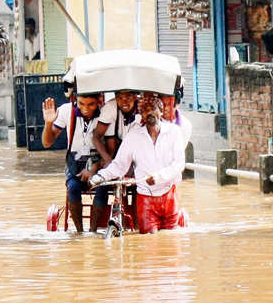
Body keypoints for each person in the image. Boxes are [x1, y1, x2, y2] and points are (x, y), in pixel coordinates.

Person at [90, 95, 186, 234]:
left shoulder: (174, 132)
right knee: (149, 240)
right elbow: (119, 165)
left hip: (170, 195)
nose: (150, 113)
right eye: (145, 110)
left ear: (160, 110)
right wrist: (101, 176)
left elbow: (179, 164)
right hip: (146, 197)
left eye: (153, 108)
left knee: (170, 240)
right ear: (141, 114)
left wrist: (158, 177)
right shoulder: (133, 136)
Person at [42, 93, 108, 232]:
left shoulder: (106, 113)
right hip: (74, 162)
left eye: (91, 104)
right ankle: (79, 232)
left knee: (103, 189)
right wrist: (48, 123)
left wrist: (93, 169)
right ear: (75, 100)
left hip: (99, 162)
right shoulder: (66, 111)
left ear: (99, 102)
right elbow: (47, 143)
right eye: (81, 104)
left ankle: (93, 231)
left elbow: (111, 149)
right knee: (73, 187)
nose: (85, 109)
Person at [92, 90, 140, 166]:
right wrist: (108, 160)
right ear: (115, 98)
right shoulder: (110, 107)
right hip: (116, 147)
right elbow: (96, 137)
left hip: (137, 149)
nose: (124, 102)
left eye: (128, 97)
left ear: (135, 97)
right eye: (120, 98)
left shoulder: (142, 108)